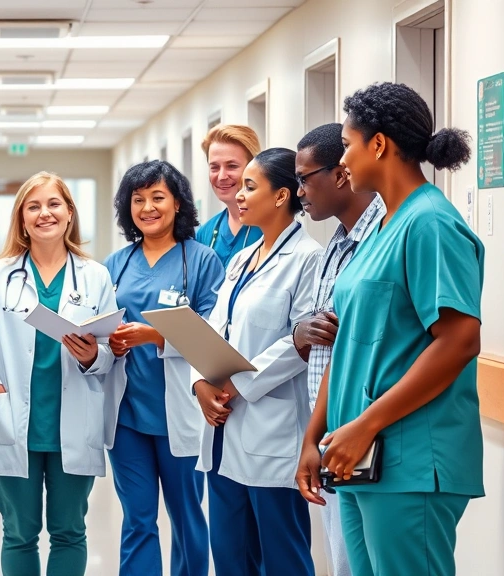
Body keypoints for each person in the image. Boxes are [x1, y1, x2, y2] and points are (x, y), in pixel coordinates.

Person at [297, 82, 484, 576]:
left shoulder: (430, 223)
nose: (343, 160)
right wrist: (316, 437)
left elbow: (460, 339)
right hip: (358, 455)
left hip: (407, 458)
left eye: (347, 144)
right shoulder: (384, 227)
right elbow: (352, 343)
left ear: (378, 145)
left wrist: (367, 424)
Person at [0, 171, 117, 576]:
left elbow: (112, 351)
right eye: (34, 206)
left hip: (73, 425)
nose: (44, 213)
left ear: (69, 214)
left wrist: (90, 357)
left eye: (53, 204)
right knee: (18, 533)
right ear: (22, 219)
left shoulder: (95, 275)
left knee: (69, 531)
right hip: (14, 422)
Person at [192, 148, 321, 576]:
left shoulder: (308, 259)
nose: (239, 197)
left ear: (282, 195)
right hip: (222, 431)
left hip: (272, 433)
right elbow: (212, 329)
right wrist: (201, 383)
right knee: (229, 557)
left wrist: (235, 385)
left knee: (282, 558)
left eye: (250, 186)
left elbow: (301, 342)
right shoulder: (243, 259)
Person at [102, 160, 224, 576]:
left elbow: (213, 335)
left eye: (158, 197)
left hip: (180, 412)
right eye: (138, 200)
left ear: (177, 204)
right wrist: (105, 342)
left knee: (188, 516)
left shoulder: (202, 260)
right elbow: (99, 324)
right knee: (137, 519)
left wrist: (156, 337)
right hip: (127, 415)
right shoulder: (114, 263)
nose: (148, 207)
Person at [290, 123, 386, 576]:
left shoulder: (384, 236)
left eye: (305, 179)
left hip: (367, 435)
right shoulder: (335, 245)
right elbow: (319, 345)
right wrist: (303, 333)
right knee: (344, 562)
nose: (300, 192)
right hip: (331, 432)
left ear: (340, 175)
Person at [195, 125, 262, 267]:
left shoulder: (269, 228)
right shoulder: (205, 233)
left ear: (253, 168)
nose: (221, 176)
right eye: (214, 167)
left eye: (232, 166)